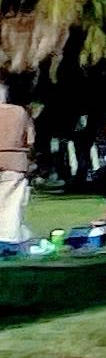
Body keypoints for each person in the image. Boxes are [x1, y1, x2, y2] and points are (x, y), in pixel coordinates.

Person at [0, 77, 31, 246]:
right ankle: (8, 239)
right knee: (11, 202)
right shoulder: (20, 112)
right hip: (15, 161)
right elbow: (30, 139)